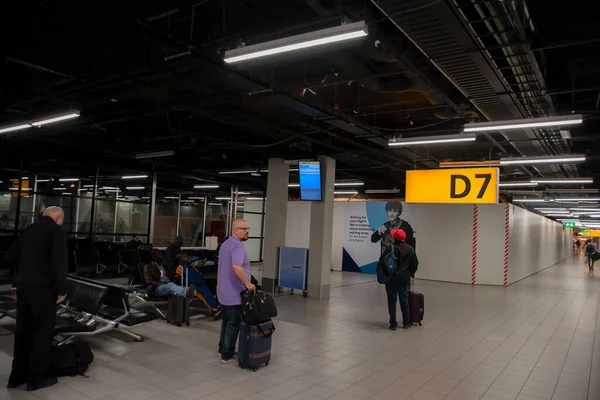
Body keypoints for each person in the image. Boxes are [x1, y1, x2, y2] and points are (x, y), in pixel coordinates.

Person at [3, 206, 68, 391]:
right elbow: (59, 261)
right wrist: (62, 289)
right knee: (42, 333)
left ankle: (16, 377)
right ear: (57, 217)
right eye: (62, 220)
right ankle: (36, 378)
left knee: (23, 332)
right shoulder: (55, 231)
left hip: (23, 287)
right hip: (44, 289)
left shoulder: (28, 229)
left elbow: (10, 257)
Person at [217, 219, 255, 364]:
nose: (247, 231)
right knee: (233, 323)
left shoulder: (225, 244)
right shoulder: (238, 246)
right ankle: (227, 355)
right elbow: (236, 267)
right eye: (244, 228)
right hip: (233, 293)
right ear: (235, 231)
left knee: (226, 321)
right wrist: (248, 283)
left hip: (223, 291)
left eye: (247, 228)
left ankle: (222, 348)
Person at [384, 229, 418, 330]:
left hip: (391, 279)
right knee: (404, 300)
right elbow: (415, 264)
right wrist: (410, 274)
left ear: (395, 238)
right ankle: (406, 323)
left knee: (392, 300)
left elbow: (383, 262)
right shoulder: (411, 249)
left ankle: (393, 324)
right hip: (404, 279)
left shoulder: (390, 248)